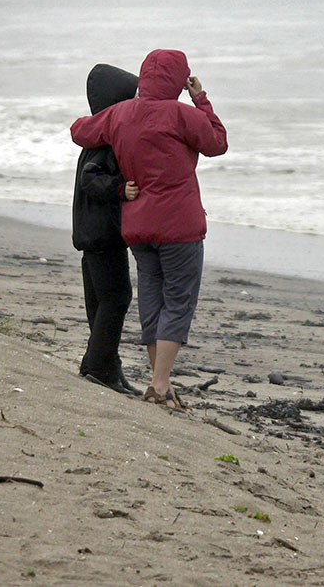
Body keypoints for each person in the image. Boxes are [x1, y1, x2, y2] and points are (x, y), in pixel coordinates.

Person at [70, 49, 228, 411]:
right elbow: (218, 143)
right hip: (179, 225)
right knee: (178, 300)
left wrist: (112, 120)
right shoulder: (181, 113)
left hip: (138, 226)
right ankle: (159, 383)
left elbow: (80, 131)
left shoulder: (120, 114)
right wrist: (200, 98)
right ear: (178, 80)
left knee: (152, 299)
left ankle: (162, 383)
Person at [72, 64, 142, 396]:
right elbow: (91, 179)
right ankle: (99, 367)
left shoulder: (97, 133)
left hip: (92, 233)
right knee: (116, 297)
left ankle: (104, 366)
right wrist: (120, 188)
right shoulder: (105, 138)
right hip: (102, 234)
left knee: (101, 301)